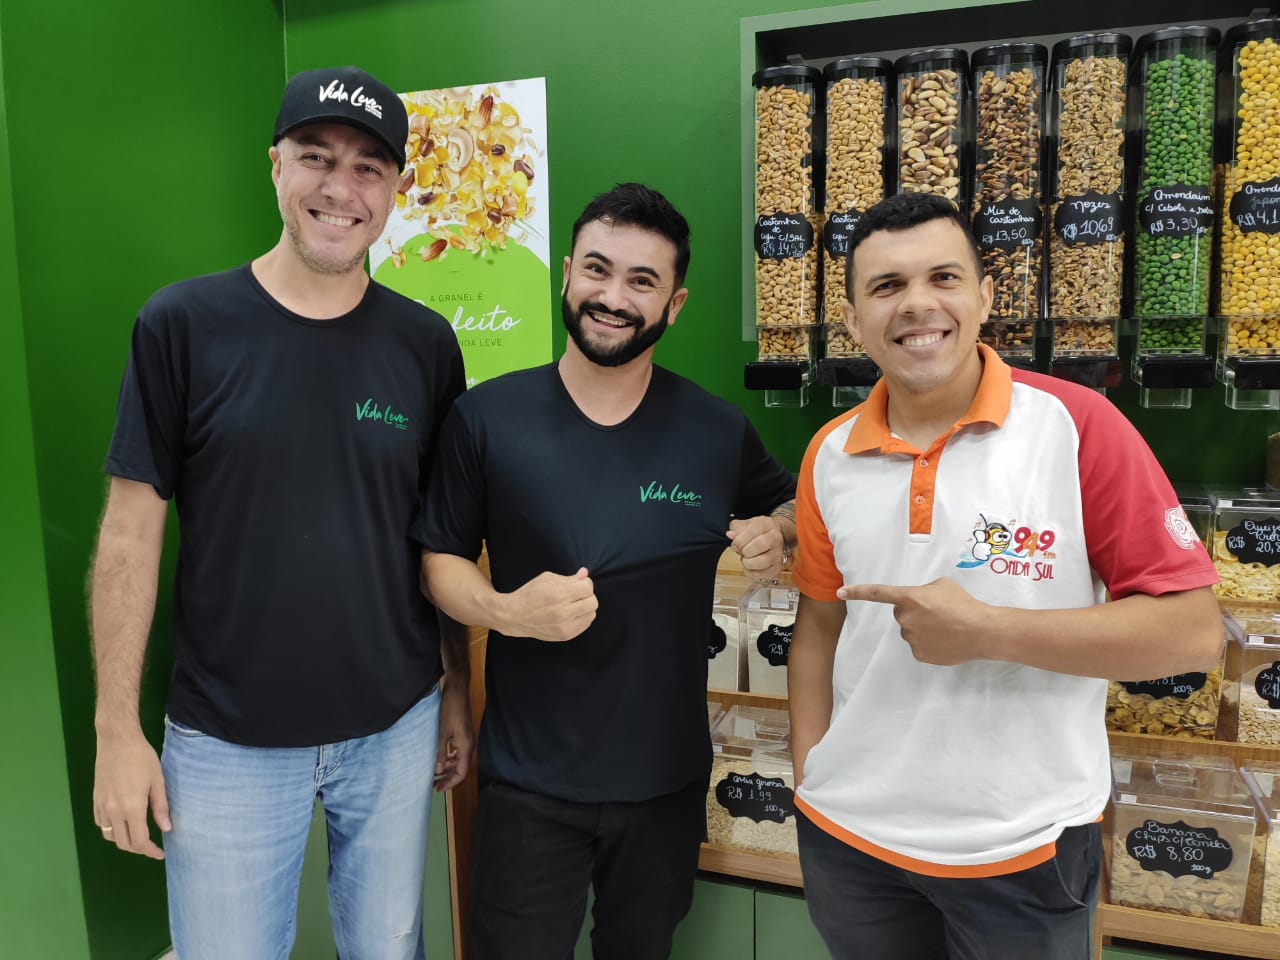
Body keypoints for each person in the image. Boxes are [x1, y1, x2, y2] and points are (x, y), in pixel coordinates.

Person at [89, 65, 471, 960]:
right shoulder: (183, 324)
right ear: (275, 166)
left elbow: (442, 535)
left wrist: (456, 687)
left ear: (397, 190)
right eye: (316, 157)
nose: (340, 188)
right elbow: (128, 533)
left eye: (369, 167)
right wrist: (116, 729)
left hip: (395, 725)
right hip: (225, 740)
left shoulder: (425, 344)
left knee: (389, 949)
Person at [787, 191, 1222, 960]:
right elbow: (819, 629)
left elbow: (1192, 634)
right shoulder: (829, 453)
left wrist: (987, 631)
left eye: (943, 278)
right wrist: (810, 777)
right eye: (886, 287)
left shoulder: (1077, 426)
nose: (917, 304)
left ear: (986, 297)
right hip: (850, 844)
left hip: (1024, 849)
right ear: (851, 320)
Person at [419, 182, 798, 960]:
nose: (613, 297)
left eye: (641, 280)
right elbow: (439, 563)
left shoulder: (715, 430)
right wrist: (507, 612)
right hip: (528, 781)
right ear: (567, 274)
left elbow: (792, 502)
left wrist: (778, 531)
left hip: (664, 781)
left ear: (674, 304)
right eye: (597, 269)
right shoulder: (486, 419)